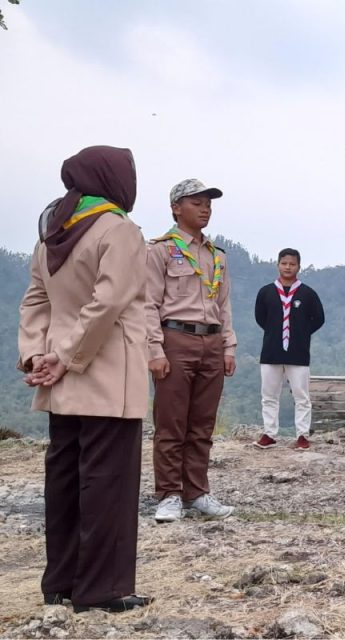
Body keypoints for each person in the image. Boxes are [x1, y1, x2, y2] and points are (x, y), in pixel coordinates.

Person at [18, 145, 152, 612]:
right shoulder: (119, 230)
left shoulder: (52, 234)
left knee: (65, 481)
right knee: (107, 484)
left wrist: (38, 355)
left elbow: (35, 301)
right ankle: (102, 589)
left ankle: (60, 581)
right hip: (107, 374)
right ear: (112, 180)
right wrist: (69, 356)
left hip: (60, 381)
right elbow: (109, 302)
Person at [147, 179, 237, 523]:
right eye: (197, 203)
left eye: (208, 204)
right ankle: (169, 493)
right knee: (171, 422)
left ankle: (196, 491)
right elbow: (147, 304)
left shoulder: (216, 255)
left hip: (212, 341)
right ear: (175, 207)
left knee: (202, 423)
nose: (205, 209)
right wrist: (154, 349)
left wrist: (229, 345)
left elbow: (225, 305)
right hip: (175, 339)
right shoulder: (160, 250)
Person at [253, 248, 326, 450]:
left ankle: (302, 435)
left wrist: (302, 333)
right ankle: (269, 433)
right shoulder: (266, 292)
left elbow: (319, 318)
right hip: (271, 351)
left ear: (298, 267)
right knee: (269, 395)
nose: (288, 267)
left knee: (301, 396)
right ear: (278, 265)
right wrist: (274, 331)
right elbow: (260, 317)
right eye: (284, 263)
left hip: (298, 353)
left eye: (292, 264)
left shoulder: (308, 294)